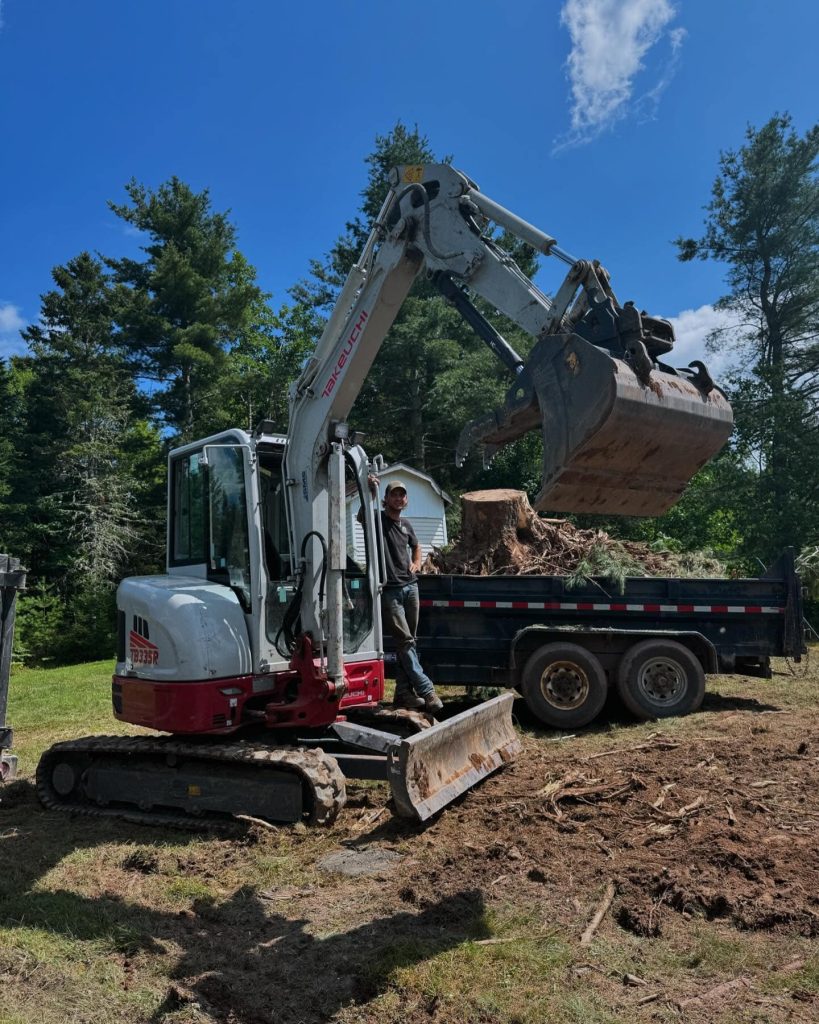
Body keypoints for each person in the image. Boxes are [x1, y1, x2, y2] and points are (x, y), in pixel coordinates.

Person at [361, 476, 443, 712]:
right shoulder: (378, 520)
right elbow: (362, 515)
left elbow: (416, 546)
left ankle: (403, 694)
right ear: (386, 499)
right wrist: (371, 493)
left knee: (408, 643)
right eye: (394, 494)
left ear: (405, 500)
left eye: (402, 495)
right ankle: (426, 690)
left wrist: (417, 562)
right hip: (390, 591)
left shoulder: (406, 524)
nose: (398, 498)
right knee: (405, 641)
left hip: (411, 587)